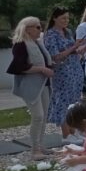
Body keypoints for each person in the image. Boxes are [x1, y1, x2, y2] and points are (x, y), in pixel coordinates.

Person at [6, 17, 54, 160]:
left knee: (44, 116)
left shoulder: (38, 43)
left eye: (41, 27)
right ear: (27, 29)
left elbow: (45, 61)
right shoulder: (21, 44)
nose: (41, 30)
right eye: (37, 27)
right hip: (31, 85)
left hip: (43, 83)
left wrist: (50, 65)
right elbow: (18, 67)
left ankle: (40, 145)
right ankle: (35, 149)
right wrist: (42, 69)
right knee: (38, 116)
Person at [43, 6, 86, 144]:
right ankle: (66, 134)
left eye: (67, 18)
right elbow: (56, 56)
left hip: (75, 68)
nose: (66, 21)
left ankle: (73, 131)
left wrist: (78, 49)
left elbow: (70, 51)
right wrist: (74, 47)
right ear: (54, 18)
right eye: (63, 18)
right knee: (64, 101)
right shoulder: (50, 35)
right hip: (62, 72)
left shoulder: (67, 32)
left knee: (75, 100)